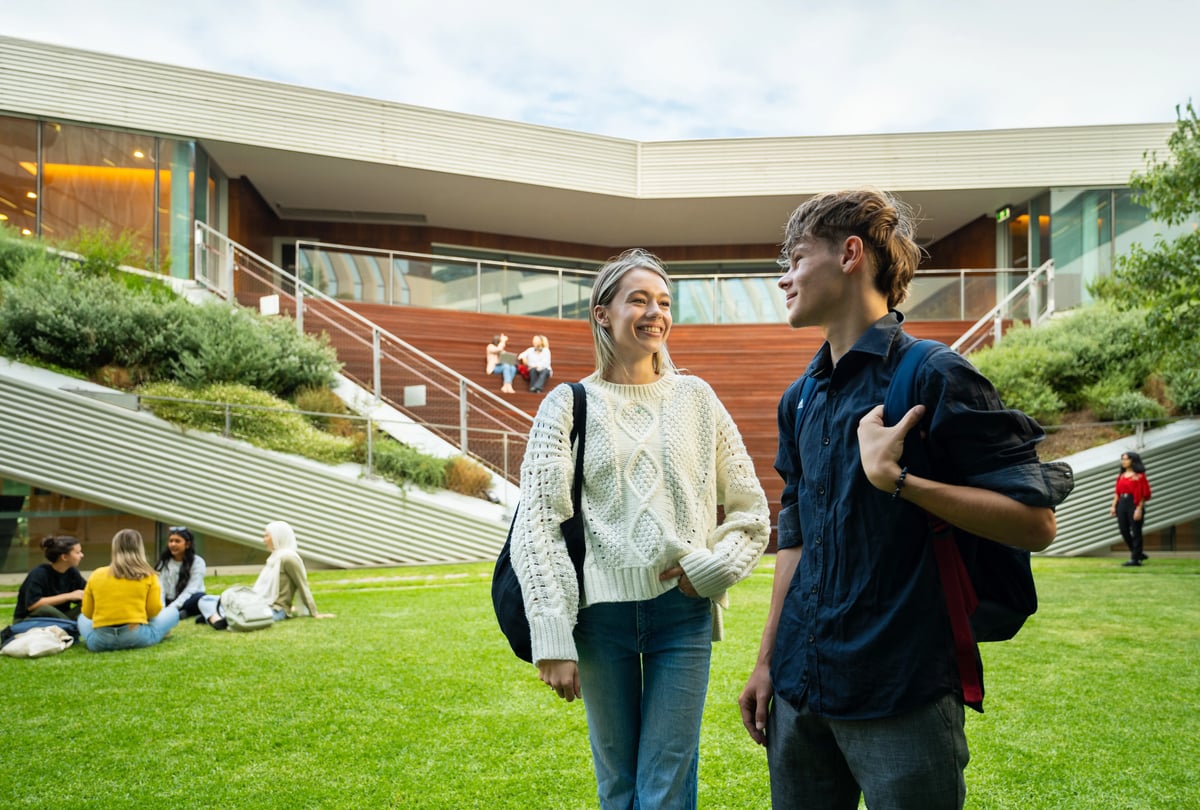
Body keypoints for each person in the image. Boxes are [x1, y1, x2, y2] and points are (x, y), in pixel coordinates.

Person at [737, 189, 1073, 810]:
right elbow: (797, 536)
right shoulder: (799, 398)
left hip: (902, 691)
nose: (783, 277)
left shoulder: (934, 373)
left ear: (851, 254)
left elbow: (1036, 523)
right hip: (799, 689)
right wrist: (766, 663)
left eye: (795, 257)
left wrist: (899, 480)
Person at [510, 248, 770, 809]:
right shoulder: (566, 405)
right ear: (603, 314)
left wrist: (713, 567)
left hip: (683, 616)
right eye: (639, 300)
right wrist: (553, 636)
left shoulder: (697, 398)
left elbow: (752, 511)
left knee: (666, 782)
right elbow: (537, 525)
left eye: (664, 302)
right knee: (619, 784)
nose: (656, 312)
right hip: (599, 621)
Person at [197, 520, 334, 627]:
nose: (264, 540)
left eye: (267, 535)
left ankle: (216, 617)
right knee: (206, 599)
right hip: (259, 602)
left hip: (275, 610)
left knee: (247, 617)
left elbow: (302, 585)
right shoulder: (274, 557)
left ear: (277, 537)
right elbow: (262, 589)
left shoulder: (288, 558)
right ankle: (216, 617)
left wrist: (315, 613)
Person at [77, 529, 180, 652]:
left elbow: (88, 613)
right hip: (136, 636)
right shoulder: (149, 575)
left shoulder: (96, 574)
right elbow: (153, 611)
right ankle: (156, 633)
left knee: (81, 617)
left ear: (114, 548)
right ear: (139, 548)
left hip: (101, 640)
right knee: (173, 612)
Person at [13, 535, 87, 621]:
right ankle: (70, 626)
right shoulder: (39, 573)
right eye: (77, 553)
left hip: (61, 617)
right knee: (45, 609)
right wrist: (69, 596)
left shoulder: (72, 573)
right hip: (29, 621)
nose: (82, 555)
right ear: (64, 557)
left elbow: (86, 592)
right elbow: (33, 605)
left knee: (90, 604)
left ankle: (69, 626)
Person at [154, 526, 207, 616]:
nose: (173, 544)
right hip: (168, 600)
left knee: (200, 598)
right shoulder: (164, 562)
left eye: (177, 541)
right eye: (171, 541)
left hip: (188, 599)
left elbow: (191, 590)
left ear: (187, 544)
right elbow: (160, 587)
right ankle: (180, 613)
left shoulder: (197, 562)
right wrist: (162, 608)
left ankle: (181, 612)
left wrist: (171, 608)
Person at [1110, 451, 1151, 566]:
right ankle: (1138, 553)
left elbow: (1143, 494)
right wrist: (1113, 506)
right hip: (1122, 503)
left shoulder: (1139, 477)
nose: (1124, 461)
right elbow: (1117, 493)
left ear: (1133, 460)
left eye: (1126, 459)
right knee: (1124, 530)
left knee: (1136, 530)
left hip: (1134, 503)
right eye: (1122, 459)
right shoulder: (1121, 476)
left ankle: (1135, 559)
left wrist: (1139, 509)